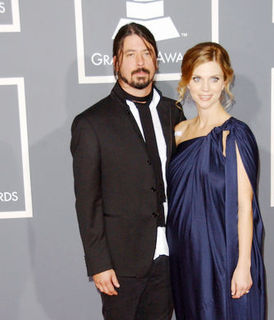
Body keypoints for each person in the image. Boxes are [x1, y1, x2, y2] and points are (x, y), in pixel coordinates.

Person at [70, 23, 184, 320]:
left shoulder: (175, 112)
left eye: (146, 53)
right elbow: (87, 201)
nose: (140, 61)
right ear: (115, 62)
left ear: (156, 60)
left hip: (173, 256)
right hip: (121, 264)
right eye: (130, 54)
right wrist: (98, 263)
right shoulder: (91, 123)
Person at [166, 42, 266, 320]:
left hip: (223, 252)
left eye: (214, 79)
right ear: (186, 81)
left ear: (225, 81)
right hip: (186, 253)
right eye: (197, 78)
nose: (205, 88)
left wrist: (244, 265)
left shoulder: (235, 134)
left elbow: (246, 207)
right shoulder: (179, 132)